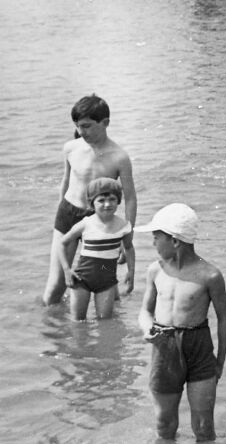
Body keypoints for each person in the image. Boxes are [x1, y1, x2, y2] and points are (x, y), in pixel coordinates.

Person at [136, 203, 226, 441]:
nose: (153, 243)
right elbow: (145, 312)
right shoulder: (155, 271)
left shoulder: (210, 275)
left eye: (157, 237)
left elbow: (224, 319)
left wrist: (219, 362)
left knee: (203, 426)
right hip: (165, 345)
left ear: (175, 241)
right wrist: (147, 328)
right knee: (164, 423)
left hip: (199, 346)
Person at [43, 94, 137, 305]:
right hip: (68, 213)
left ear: (105, 123)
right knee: (56, 284)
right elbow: (66, 181)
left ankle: (111, 330)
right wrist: (58, 215)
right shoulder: (71, 148)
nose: (81, 132)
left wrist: (127, 235)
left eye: (87, 126)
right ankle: (53, 330)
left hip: (100, 221)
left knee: (105, 279)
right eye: (78, 126)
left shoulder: (119, 157)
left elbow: (130, 197)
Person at [58, 178, 135, 320]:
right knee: (78, 323)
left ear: (118, 201)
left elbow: (129, 248)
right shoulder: (86, 224)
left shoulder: (124, 226)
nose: (107, 204)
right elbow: (62, 243)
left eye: (112, 199)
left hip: (107, 283)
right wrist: (66, 270)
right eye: (101, 200)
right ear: (91, 203)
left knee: (104, 323)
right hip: (81, 280)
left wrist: (131, 272)